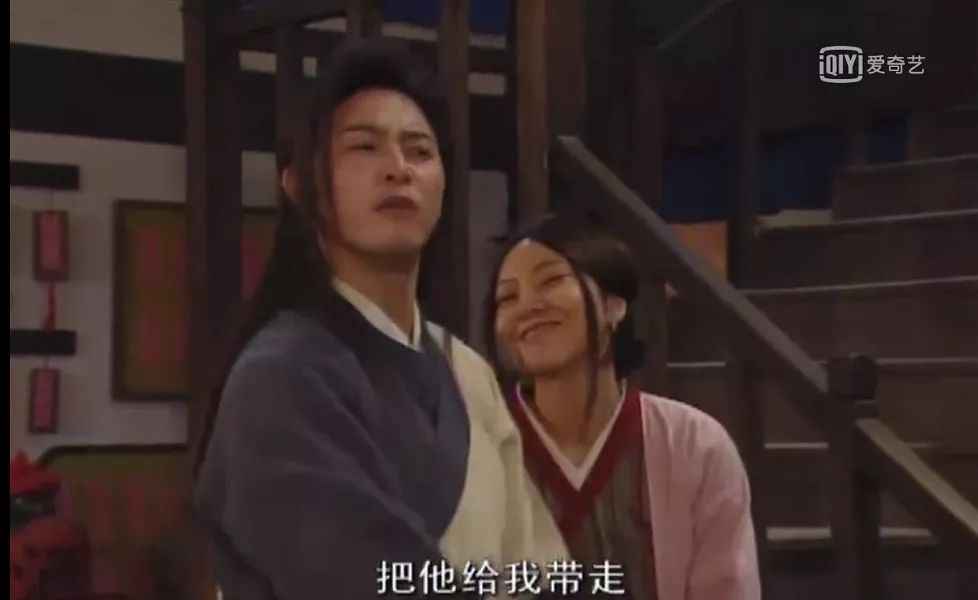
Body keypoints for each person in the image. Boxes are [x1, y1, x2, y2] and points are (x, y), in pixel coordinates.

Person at [193, 38, 566, 600]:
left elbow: (537, 571)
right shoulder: (278, 377)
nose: (398, 169)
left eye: (419, 151)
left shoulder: (467, 372)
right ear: (300, 186)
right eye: (364, 147)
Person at [487, 214, 761, 600]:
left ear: (614, 305)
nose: (527, 306)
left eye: (551, 280)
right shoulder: (474, 447)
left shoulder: (695, 446)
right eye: (507, 298)